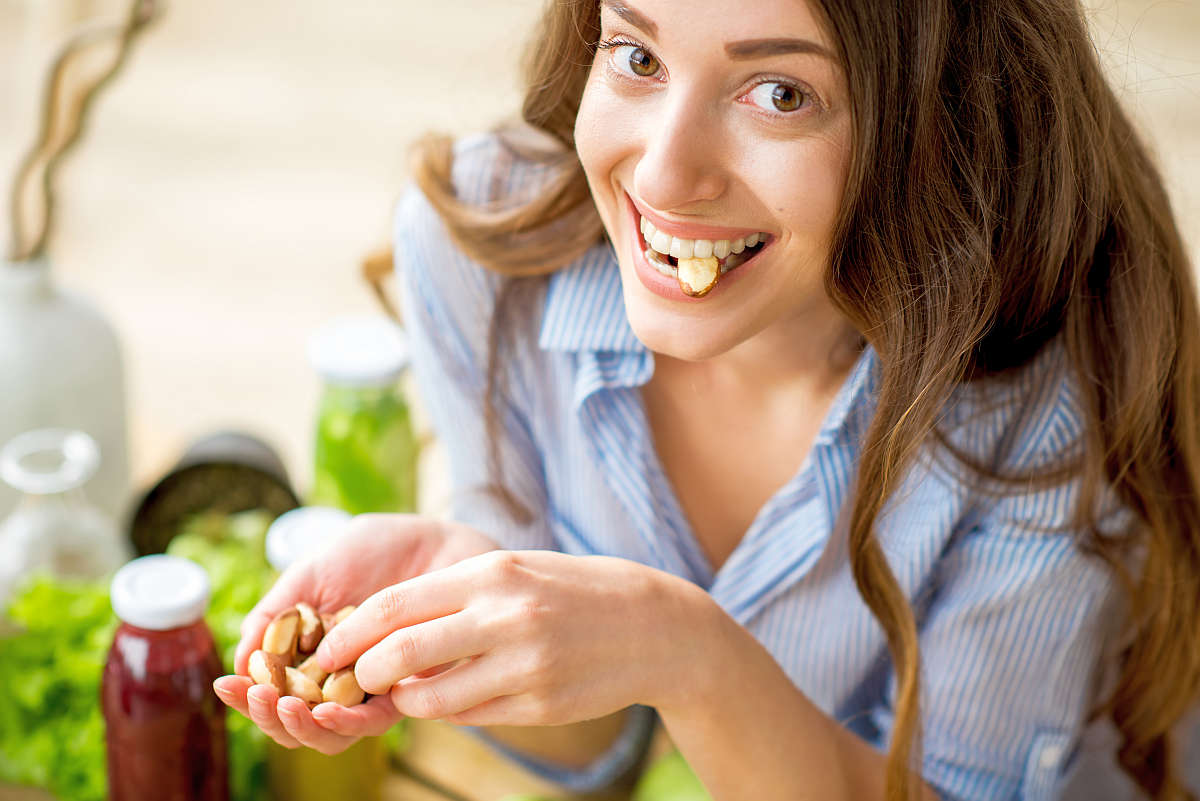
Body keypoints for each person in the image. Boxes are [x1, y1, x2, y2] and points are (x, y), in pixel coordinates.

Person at [213, 0, 1200, 798]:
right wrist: (492, 594)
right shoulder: (482, 257)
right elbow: (591, 756)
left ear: (942, 127)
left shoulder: (1050, 403)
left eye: (780, 92)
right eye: (637, 57)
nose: (665, 173)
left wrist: (682, 651)